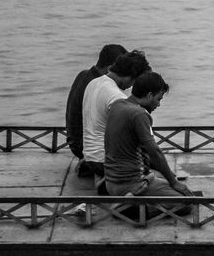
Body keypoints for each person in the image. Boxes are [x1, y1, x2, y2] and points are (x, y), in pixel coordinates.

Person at [104, 71, 196, 219]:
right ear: (149, 95)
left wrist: (167, 177)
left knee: (162, 176)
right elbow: (155, 152)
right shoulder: (139, 114)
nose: (158, 104)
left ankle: (134, 200)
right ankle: (134, 209)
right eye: (158, 99)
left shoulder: (117, 105)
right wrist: (174, 182)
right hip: (132, 184)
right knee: (185, 203)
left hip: (110, 182)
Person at [82, 50, 150, 193]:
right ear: (130, 76)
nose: (131, 86)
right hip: (106, 161)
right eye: (133, 81)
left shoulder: (93, 83)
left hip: (89, 156)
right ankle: (112, 184)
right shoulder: (117, 97)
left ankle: (102, 178)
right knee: (146, 163)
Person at [65, 44, 127, 177]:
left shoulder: (84, 75)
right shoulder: (99, 84)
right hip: (84, 146)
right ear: (111, 67)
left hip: (75, 141)